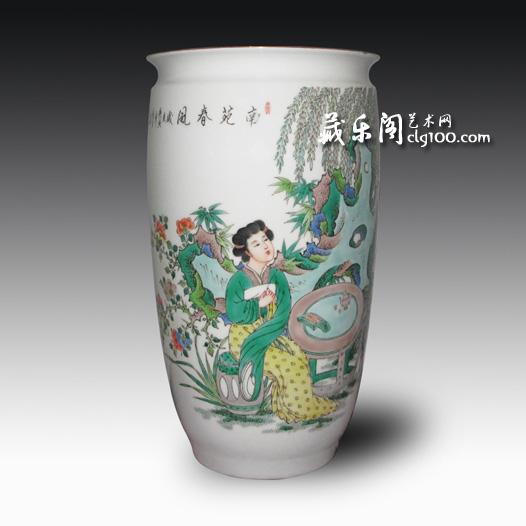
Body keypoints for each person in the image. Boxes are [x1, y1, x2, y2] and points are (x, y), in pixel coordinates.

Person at [225, 219, 338, 423]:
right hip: (244, 336)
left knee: (297, 355)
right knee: (289, 364)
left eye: (265, 239)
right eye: (257, 244)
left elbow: (284, 310)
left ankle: (287, 406)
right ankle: (298, 408)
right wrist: (259, 304)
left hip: (271, 332)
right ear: (247, 252)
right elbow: (234, 313)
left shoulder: (277, 276)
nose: (265, 246)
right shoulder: (238, 280)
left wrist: (272, 316)